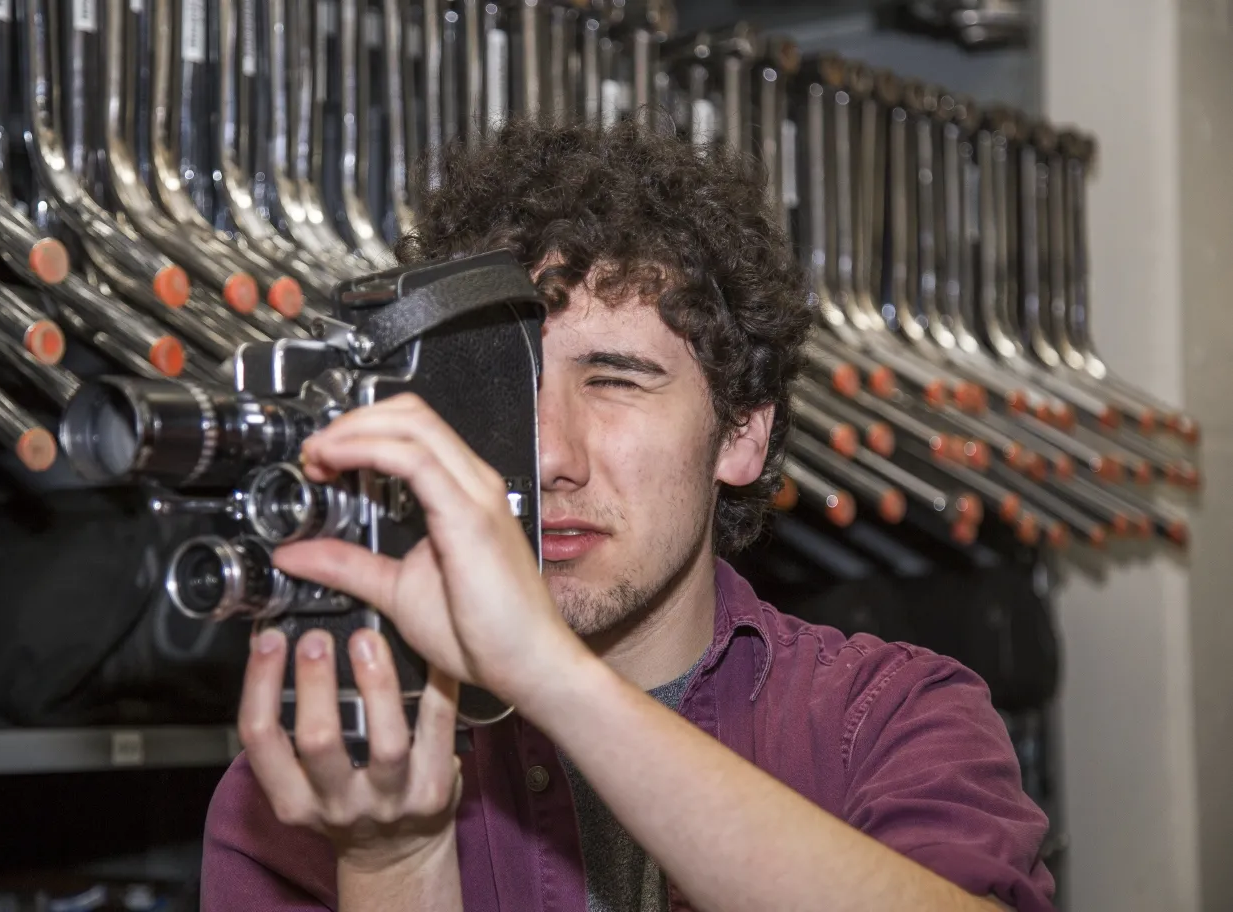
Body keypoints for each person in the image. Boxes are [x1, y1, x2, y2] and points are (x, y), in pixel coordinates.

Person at [199, 115, 1056, 912]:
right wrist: (391, 860)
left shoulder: (886, 719)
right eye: (510, 392)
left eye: (614, 381)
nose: (550, 457)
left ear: (741, 434)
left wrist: (548, 675)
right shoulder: (328, 775)